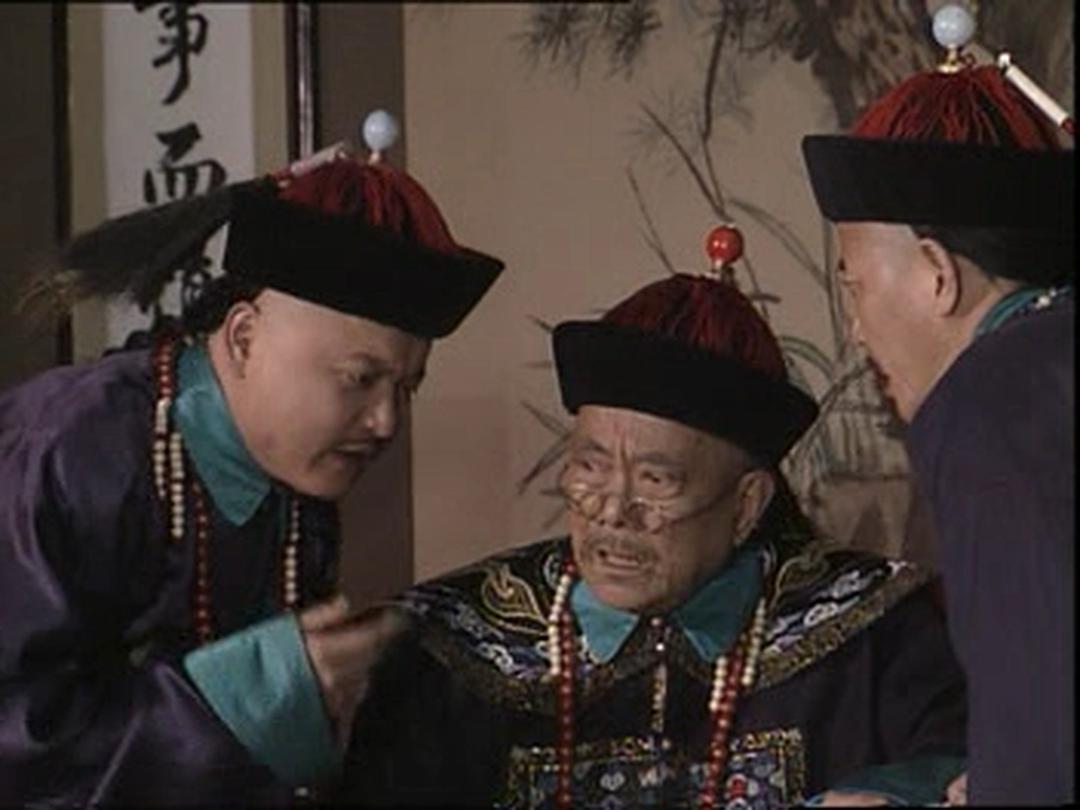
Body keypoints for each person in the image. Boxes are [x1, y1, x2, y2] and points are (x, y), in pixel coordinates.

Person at [339, 225, 966, 807]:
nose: (614, 512)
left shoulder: (876, 636)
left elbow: (961, 761)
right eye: (590, 468)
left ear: (747, 505)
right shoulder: (454, 646)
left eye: (655, 480)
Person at [0, 113, 504, 804]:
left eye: (406, 387)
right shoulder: (68, 451)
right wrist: (237, 706)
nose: (386, 421)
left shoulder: (295, 479)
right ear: (242, 339)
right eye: (359, 379)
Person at [801, 4, 1074, 804]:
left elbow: (1046, 748)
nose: (857, 331)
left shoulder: (991, 403)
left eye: (855, 288)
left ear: (935, 274)